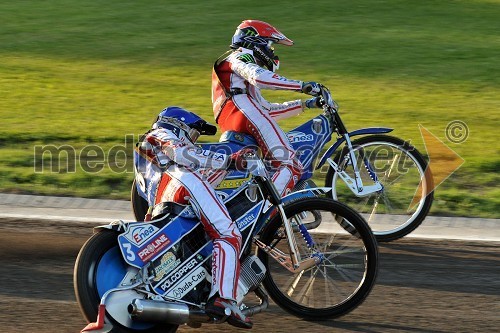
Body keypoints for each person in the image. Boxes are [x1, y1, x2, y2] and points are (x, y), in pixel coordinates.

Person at [133, 106, 253, 329]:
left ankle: (194, 296)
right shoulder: (160, 133)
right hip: (181, 183)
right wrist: (230, 160)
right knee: (229, 234)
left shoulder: (146, 154)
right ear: (177, 125)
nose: (194, 141)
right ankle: (224, 300)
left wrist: (226, 167)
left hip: (161, 202)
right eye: (193, 134)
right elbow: (183, 155)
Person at [212, 19, 324, 197]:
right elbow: (260, 78)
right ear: (256, 42)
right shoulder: (240, 57)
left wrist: (305, 105)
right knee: (291, 165)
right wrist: (302, 86)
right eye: (270, 45)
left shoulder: (239, 88)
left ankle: (272, 206)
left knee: (271, 169)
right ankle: (273, 212)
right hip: (243, 115)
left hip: (236, 118)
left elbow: (267, 111)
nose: (272, 51)